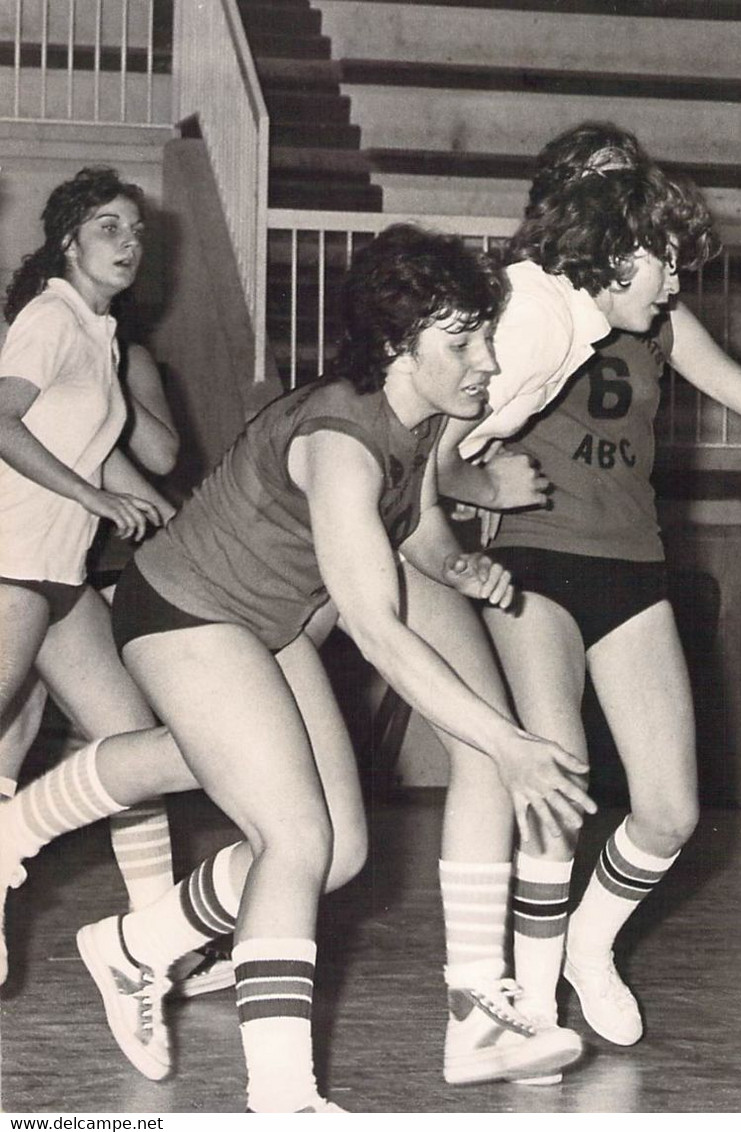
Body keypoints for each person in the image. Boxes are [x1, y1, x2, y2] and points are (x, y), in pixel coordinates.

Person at [55, 224, 596, 1112]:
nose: (488, 362)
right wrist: (506, 743)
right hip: (186, 611)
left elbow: (412, 521)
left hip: (263, 625)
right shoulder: (343, 436)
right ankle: (283, 1101)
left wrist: (459, 566)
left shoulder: (417, 417)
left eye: (485, 336)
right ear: (396, 344)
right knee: (295, 839)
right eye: (463, 341)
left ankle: (135, 947)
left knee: (337, 853)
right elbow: (379, 632)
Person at [438, 135, 741, 1064]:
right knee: (559, 781)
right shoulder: (523, 307)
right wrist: (478, 495)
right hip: (536, 556)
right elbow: (438, 448)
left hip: (631, 558)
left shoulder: (653, 310)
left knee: (671, 811)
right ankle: (533, 1007)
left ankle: (589, 941)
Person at [0, 167, 182, 989]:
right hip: (8, 562)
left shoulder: (100, 333)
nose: (129, 242)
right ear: (66, 240)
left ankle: (159, 942)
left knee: (130, 743)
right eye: (110, 227)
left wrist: (174, 525)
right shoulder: (49, 315)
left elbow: (99, 450)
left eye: (136, 231)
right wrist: (94, 498)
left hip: (60, 573)